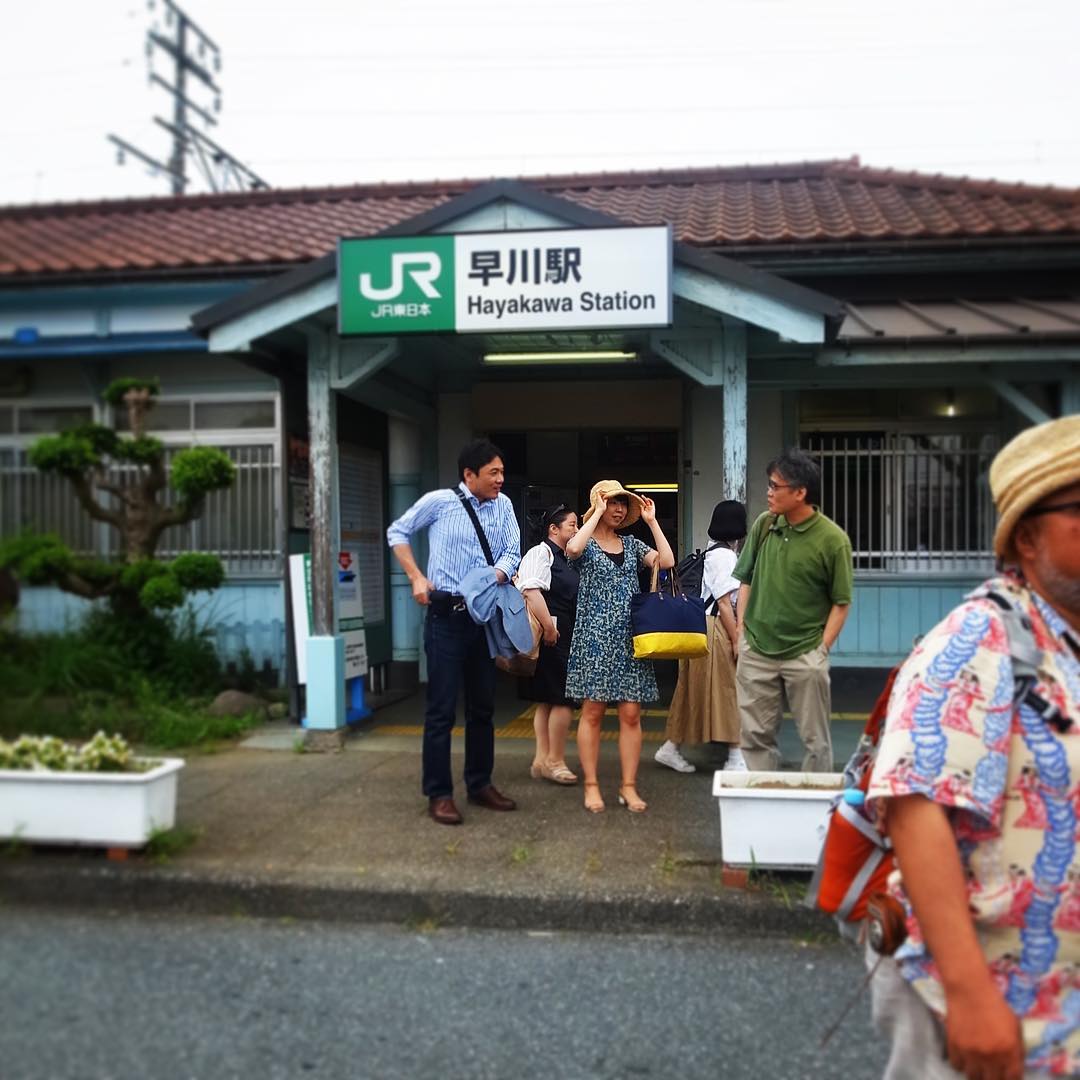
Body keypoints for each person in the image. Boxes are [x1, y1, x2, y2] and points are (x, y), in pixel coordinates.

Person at [865, 415, 1080, 1080]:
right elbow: (914, 803)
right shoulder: (981, 637)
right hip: (988, 996)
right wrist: (968, 994)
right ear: (1026, 536)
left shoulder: (1065, 642)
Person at [386, 438, 521, 826]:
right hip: (445, 617)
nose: (500, 479)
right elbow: (399, 532)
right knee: (441, 710)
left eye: (501, 471)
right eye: (493, 472)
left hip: (483, 619)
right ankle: (439, 793)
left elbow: (513, 550)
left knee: (483, 707)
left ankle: (480, 784)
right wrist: (415, 577)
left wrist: (493, 576)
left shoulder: (505, 504)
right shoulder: (440, 502)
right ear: (469, 475)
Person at [732, 447, 853, 772]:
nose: (769, 493)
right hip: (757, 647)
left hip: (804, 651)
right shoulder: (765, 524)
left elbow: (841, 602)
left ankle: (815, 812)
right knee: (755, 736)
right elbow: (746, 580)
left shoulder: (832, 540)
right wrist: (742, 628)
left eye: (775, 486)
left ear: (800, 493)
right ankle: (763, 806)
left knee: (815, 740)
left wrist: (821, 650)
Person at [566, 480, 676, 813]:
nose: (618, 509)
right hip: (594, 638)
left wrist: (653, 522)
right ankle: (592, 785)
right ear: (599, 504)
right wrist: (594, 512)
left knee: (631, 714)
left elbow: (667, 562)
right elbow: (571, 549)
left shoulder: (632, 543)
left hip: (630, 638)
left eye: (622, 504)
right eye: (612, 503)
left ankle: (628, 786)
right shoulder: (584, 544)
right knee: (594, 712)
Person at [655, 499, 749, 774]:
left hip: (699, 627)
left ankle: (670, 748)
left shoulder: (712, 552)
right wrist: (736, 640)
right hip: (715, 628)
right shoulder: (725, 556)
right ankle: (735, 756)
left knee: (691, 691)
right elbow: (723, 602)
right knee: (729, 690)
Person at [517, 504, 581, 785]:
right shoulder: (540, 553)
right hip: (554, 633)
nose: (576, 530)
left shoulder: (567, 557)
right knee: (563, 699)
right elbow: (531, 590)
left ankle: (542, 760)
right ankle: (555, 761)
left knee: (547, 700)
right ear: (553, 529)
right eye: (572, 525)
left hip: (560, 632)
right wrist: (549, 627)